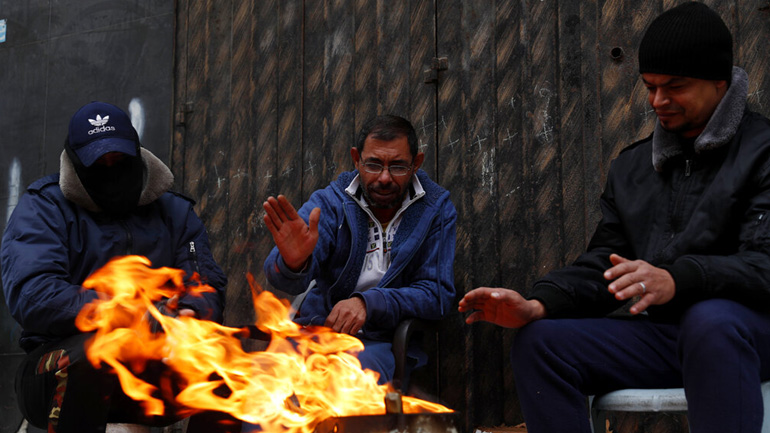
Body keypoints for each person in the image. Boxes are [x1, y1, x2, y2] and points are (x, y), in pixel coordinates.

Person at [459, 3, 770, 432]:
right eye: (650, 86)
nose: (658, 101)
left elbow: (764, 265)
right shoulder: (634, 167)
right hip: (667, 337)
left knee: (710, 320)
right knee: (540, 343)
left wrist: (679, 279)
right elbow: (607, 265)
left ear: (720, 83)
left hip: (748, 332)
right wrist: (539, 304)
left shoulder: (763, 151)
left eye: (675, 86)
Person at [1, 101, 235, 433]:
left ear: (137, 156)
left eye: (121, 161)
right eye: (100, 163)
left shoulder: (175, 213)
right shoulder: (44, 207)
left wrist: (190, 315)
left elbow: (205, 283)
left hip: (152, 368)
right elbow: (33, 294)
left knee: (229, 363)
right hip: (54, 370)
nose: (112, 169)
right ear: (76, 164)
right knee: (96, 352)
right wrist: (121, 313)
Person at [262, 114, 456, 386]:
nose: (385, 178)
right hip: (317, 333)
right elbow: (279, 275)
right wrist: (295, 262)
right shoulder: (331, 202)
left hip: (380, 343)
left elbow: (437, 294)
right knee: (261, 387)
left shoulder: (436, 209)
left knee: (339, 379)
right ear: (356, 159)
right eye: (373, 165)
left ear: (416, 163)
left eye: (398, 166)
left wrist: (370, 303)